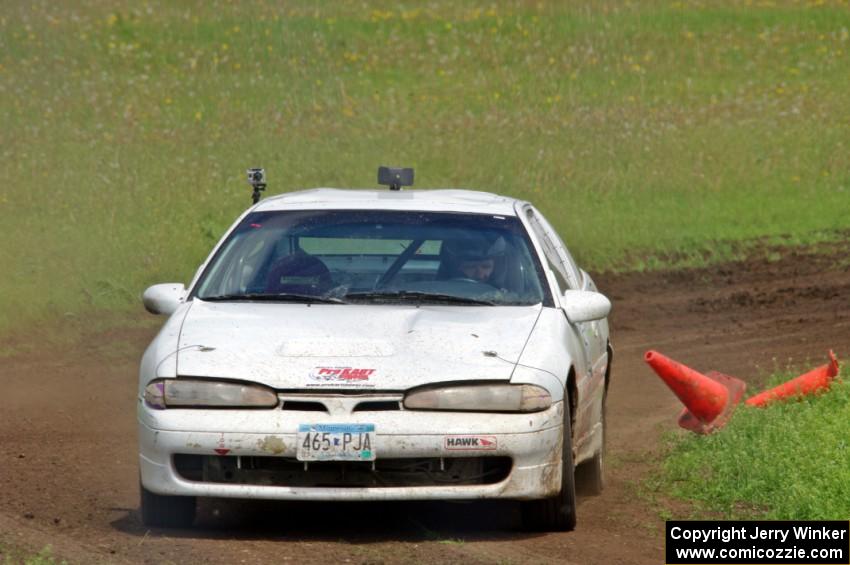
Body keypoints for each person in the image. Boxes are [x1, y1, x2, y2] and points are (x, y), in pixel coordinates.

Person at [440, 235, 508, 286]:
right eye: (471, 267)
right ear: (457, 268)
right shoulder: (441, 293)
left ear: (495, 267)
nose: (480, 275)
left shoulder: (507, 298)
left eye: (486, 267)